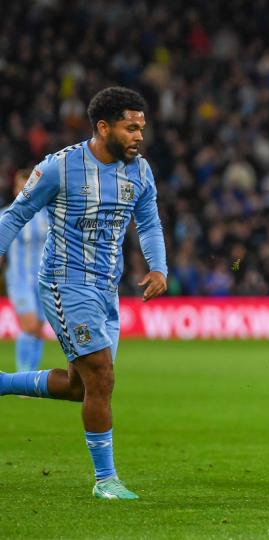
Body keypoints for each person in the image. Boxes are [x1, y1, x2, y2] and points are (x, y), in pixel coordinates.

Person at [0, 87, 168, 499]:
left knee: (82, 386)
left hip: (106, 290)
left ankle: (3, 382)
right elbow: (16, 215)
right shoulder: (59, 168)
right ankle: (105, 480)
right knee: (103, 377)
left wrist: (159, 267)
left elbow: (148, 223)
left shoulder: (140, 171)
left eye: (141, 128)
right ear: (103, 127)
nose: (138, 136)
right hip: (64, 283)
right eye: (131, 128)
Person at [4, 169, 50, 375]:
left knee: (39, 329)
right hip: (19, 280)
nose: (24, 191)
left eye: (28, 187)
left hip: (44, 280)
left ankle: (31, 377)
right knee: (29, 325)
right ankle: (22, 374)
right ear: (15, 189)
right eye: (20, 187)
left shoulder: (46, 214)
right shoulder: (6, 215)